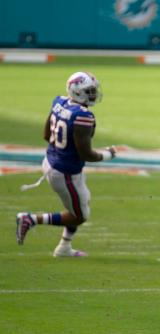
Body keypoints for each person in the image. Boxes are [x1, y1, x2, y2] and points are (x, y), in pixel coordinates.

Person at [16, 71, 116, 257]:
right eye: (89, 90)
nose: (93, 94)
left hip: (51, 161)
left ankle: (64, 248)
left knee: (82, 202)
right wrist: (109, 154)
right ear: (78, 91)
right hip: (65, 172)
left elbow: (46, 135)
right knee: (79, 215)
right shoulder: (83, 115)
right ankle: (30, 219)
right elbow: (86, 154)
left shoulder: (59, 102)